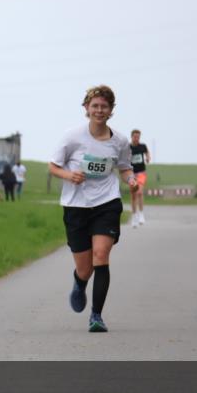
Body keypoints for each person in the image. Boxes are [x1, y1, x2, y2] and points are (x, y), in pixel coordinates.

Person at [48, 85, 138, 333]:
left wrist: (130, 180)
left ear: (111, 111)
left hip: (106, 203)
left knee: (101, 256)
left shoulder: (119, 140)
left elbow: (124, 167)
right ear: (86, 108)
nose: (100, 110)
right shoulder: (72, 137)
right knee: (85, 268)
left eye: (104, 106)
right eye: (95, 106)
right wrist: (69, 175)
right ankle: (79, 283)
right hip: (76, 206)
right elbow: (53, 166)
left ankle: (96, 316)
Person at [129, 129, 151, 227]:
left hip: (141, 172)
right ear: (132, 137)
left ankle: (141, 214)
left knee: (140, 192)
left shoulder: (143, 146)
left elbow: (147, 153)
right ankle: (134, 216)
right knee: (133, 195)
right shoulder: (128, 147)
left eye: (138, 137)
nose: (137, 139)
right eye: (135, 137)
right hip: (131, 174)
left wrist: (148, 157)